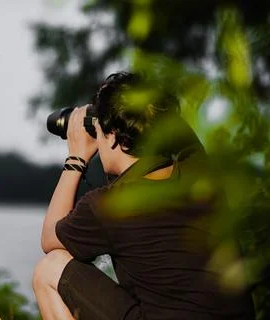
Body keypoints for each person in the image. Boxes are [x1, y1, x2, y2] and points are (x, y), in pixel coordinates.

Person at [32, 72, 255, 320]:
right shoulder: (200, 171)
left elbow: (50, 238)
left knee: (49, 269)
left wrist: (76, 157)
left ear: (113, 137)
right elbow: (179, 128)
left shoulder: (110, 205)